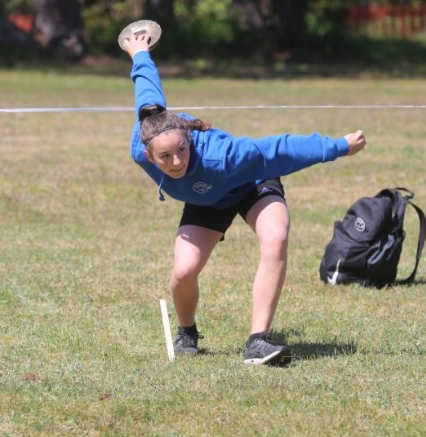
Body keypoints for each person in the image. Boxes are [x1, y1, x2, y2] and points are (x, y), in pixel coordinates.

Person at [124, 31, 367, 366]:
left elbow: (278, 150)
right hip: (207, 198)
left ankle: (258, 341)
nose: (177, 162)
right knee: (183, 272)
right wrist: (139, 53)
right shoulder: (141, 147)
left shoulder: (224, 156)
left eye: (182, 150)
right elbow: (148, 96)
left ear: (190, 140)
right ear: (149, 156)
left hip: (249, 183)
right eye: (165, 157)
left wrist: (338, 147)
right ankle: (187, 333)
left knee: (275, 235)